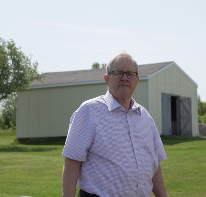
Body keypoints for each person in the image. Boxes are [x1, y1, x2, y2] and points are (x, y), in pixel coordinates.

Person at [62, 53, 168, 197]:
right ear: (107, 79)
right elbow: (71, 162)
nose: (125, 78)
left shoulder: (145, 118)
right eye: (118, 73)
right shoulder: (89, 111)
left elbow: (154, 167)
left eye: (130, 74)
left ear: (137, 80)